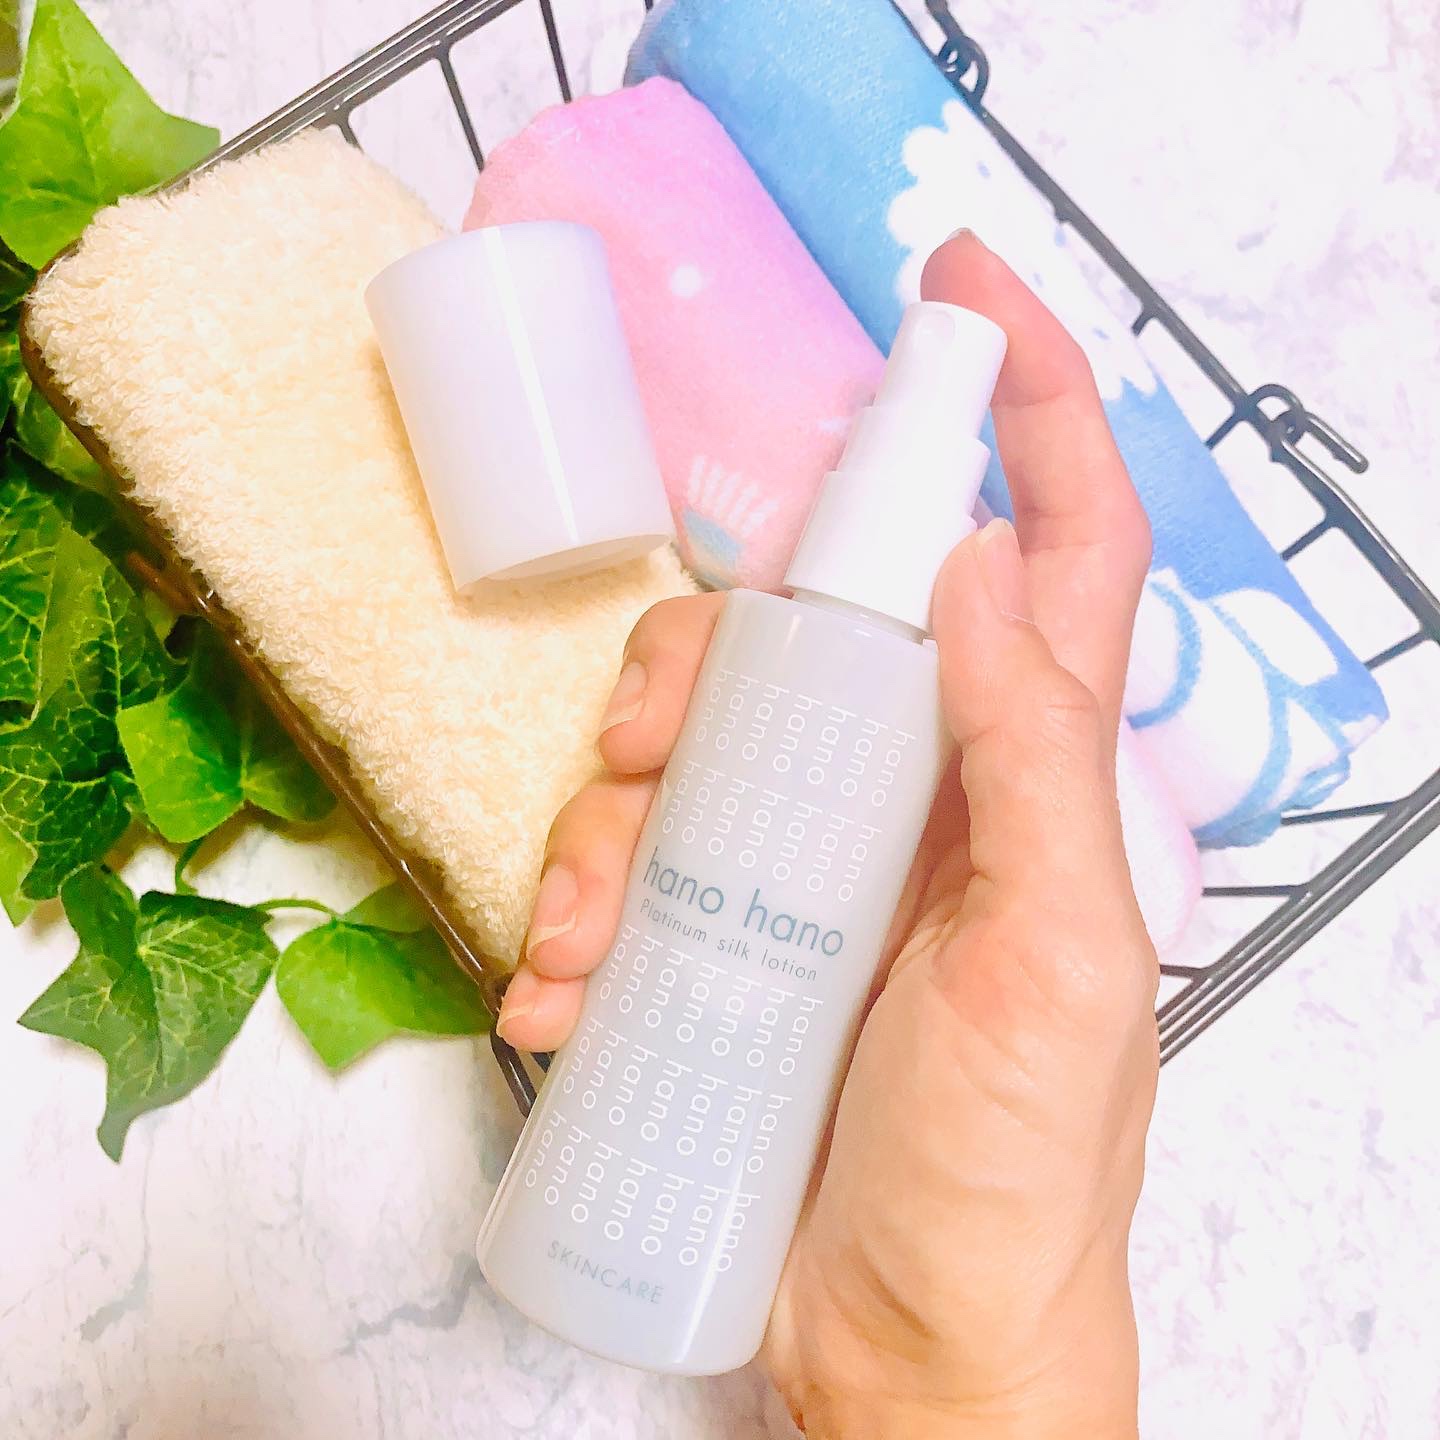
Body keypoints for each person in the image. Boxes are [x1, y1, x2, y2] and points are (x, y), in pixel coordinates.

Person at [495, 231, 1159, 1439]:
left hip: (874, 1324)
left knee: (705, 902)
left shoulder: (940, 687)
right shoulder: (771, 633)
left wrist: (950, 1385)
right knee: (687, 898)